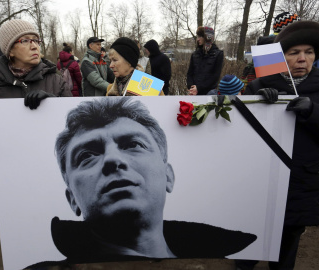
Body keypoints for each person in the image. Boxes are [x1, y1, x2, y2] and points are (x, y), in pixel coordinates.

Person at [41, 97, 256, 266]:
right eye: (87, 156)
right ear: (72, 199)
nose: (113, 159)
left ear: (168, 177)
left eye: (133, 144)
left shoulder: (230, 265)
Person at [237, 21, 319, 270]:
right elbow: (238, 134)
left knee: (289, 237)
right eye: (294, 53)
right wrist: (257, 102)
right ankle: (244, 263)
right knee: (253, 229)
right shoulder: (258, 86)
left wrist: (313, 111)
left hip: (301, 181)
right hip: (260, 179)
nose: (302, 59)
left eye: (309, 52)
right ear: (281, 56)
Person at [0, 19, 72, 215]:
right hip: (10, 171)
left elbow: (72, 123)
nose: (34, 45)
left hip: (48, 167)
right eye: (25, 40)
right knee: (16, 218)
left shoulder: (55, 80)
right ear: (10, 50)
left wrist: (53, 105)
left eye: (36, 40)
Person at [186, 27, 223, 95]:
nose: (198, 39)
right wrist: (191, 87)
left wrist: (199, 88)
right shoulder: (195, 54)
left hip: (209, 93)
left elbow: (215, 76)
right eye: (198, 36)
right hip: (194, 93)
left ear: (207, 37)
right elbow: (190, 73)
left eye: (200, 36)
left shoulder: (218, 54)